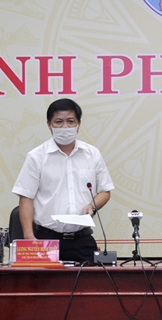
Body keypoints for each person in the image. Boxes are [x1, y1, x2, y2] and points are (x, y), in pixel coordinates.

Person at [12, 98, 114, 264]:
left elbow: (105, 191)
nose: (65, 127)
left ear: (79, 124)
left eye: (70, 121)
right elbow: (26, 198)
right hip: (47, 239)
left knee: (90, 287)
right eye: (58, 122)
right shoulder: (36, 156)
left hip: (82, 239)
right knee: (46, 288)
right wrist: (29, 237)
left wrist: (92, 206)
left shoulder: (92, 154)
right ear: (49, 124)